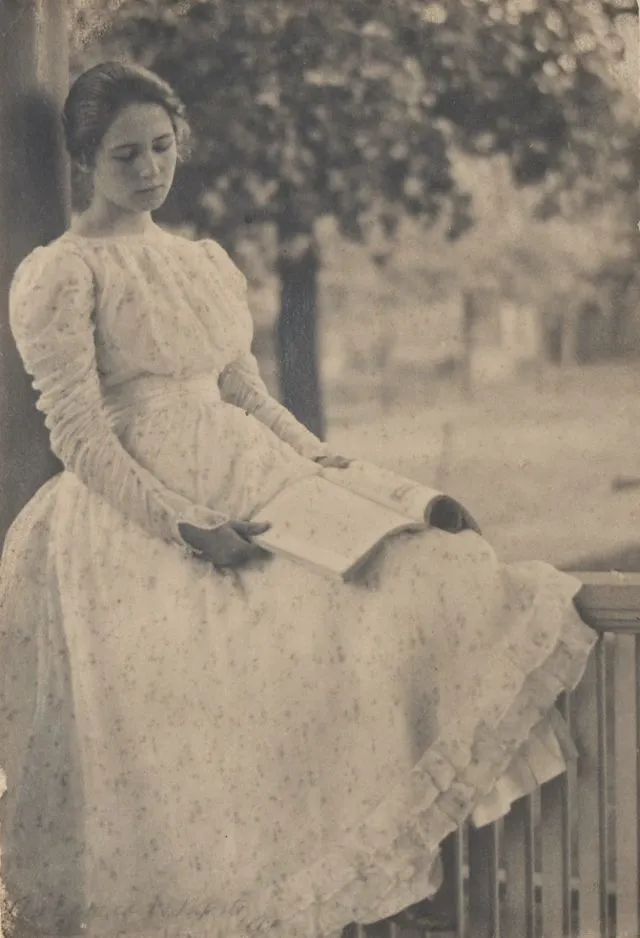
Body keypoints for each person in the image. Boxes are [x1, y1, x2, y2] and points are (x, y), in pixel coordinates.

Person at [0, 61, 596, 938]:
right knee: (236, 704)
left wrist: (345, 476)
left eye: (162, 147)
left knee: (421, 576)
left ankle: (395, 887)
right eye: (126, 154)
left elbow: (244, 393)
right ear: (85, 160)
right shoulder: (61, 274)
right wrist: (184, 526)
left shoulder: (199, 260)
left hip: (247, 470)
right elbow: (80, 433)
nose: (150, 170)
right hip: (138, 517)